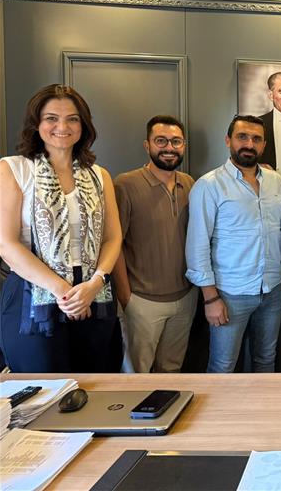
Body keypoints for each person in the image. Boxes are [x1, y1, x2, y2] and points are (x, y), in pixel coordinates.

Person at [0, 84, 122, 372]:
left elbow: (112, 237)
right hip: (33, 297)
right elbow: (6, 243)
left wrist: (95, 283)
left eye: (72, 119)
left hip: (94, 296)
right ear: (36, 123)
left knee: (97, 383)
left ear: (84, 125)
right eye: (51, 118)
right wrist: (64, 291)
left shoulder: (99, 175)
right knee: (42, 388)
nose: (62, 127)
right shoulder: (14, 169)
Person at [186, 115, 281, 373]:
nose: (249, 144)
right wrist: (210, 298)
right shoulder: (209, 185)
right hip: (229, 294)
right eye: (242, 137)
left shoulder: (277, 181)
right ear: (228, 141)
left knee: (266, 360)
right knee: (223, 367)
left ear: (264, 144)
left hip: (272, 290)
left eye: (256, 139)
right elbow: (197, 245)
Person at [111, 115, 196, 373]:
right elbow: (113, 244)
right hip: (141, 301)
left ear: (184, 146)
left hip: (184, 298)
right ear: (147, 145)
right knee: (135, 376)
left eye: (176, 141)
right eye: (161, 141)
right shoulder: (125, 184)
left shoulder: (190, 184)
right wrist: (126, 297)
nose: (169, 147)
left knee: (171, 371)